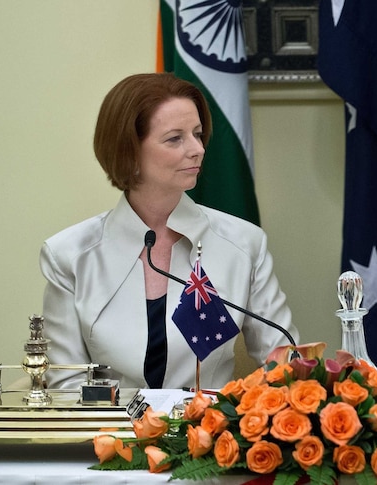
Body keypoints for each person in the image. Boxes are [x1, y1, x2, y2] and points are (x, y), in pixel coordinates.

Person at [40, 73, 299, 390]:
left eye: (198, 134)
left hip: (210, 433)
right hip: (108, 435)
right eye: (175, 138)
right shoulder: (69, 255)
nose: (198, 149)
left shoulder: (243, 244)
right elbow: (66, 387)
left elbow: (285, 367)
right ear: (129, 152)